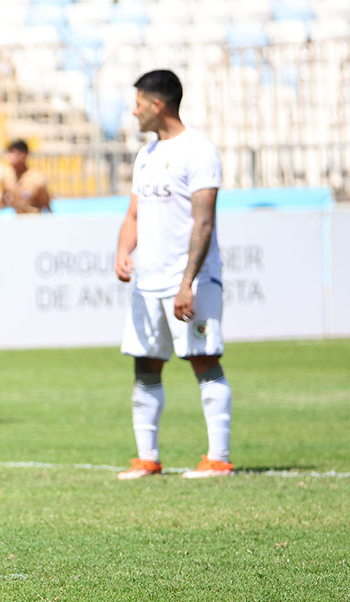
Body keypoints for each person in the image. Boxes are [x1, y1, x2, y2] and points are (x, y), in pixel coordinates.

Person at [114, 70, 234, 480]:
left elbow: (203, 223)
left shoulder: (198, 151)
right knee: (145, 365)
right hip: (147, 283)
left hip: (189, 282)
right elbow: (134, 213)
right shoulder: (145, 155)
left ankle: (218, 458)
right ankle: (147, 458)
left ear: (157, 104)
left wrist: (188, 283)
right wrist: (122, 249)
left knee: (204, 360)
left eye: (138, 103)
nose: (134, 111)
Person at [0, 139, 51, 215]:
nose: (8, 156)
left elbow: (46, 204)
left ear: (23, 155)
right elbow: (1, 200)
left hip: (34, 221)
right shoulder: (6, 176)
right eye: (8, 152)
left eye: (12, 152)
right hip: (17, 221)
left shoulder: (37, 178)